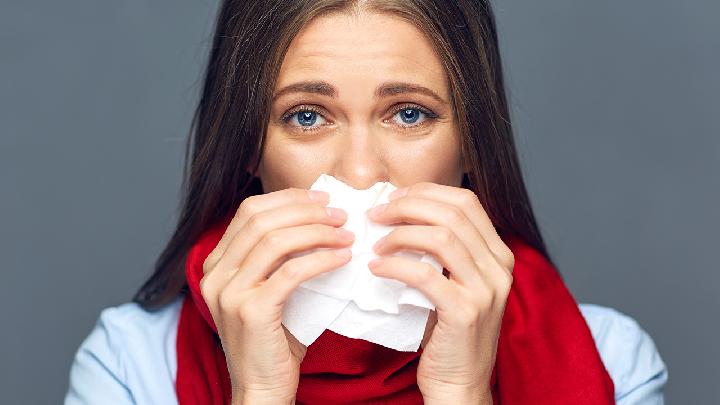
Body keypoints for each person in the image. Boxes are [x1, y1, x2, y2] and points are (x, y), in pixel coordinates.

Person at [64, 1, 668, 404]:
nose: (358, 172)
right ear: (249, 147)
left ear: (472, 147)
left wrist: (462, 391)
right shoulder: (130, 367)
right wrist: (258, 393)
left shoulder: (613, 362)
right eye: (306, 116)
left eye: (409, 114)